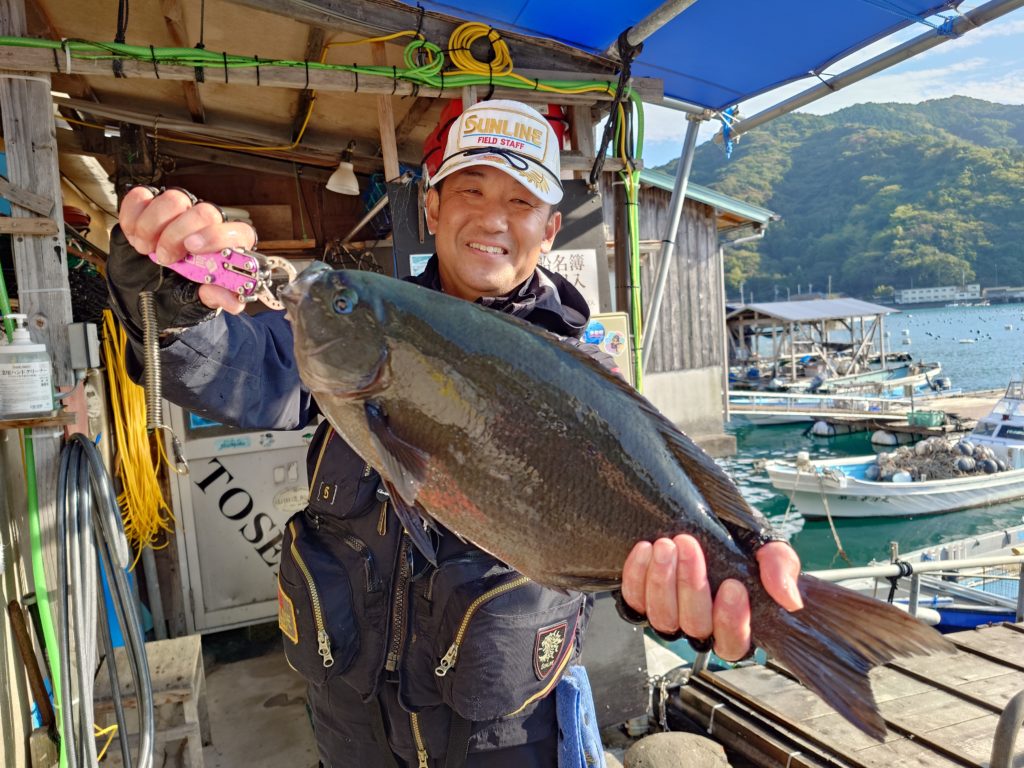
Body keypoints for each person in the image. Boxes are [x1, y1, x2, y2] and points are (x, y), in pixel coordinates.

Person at [106, 99, 802, 768]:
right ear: (432, 208)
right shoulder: (363, 324)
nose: (493, 217)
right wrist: (164, 301)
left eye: (521, 201)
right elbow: (235, 370)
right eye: (471, 190)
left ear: (550, 229)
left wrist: (711, 565)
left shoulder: (583, 375)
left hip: (506, 731)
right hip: (350, 715)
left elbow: (640, 516)